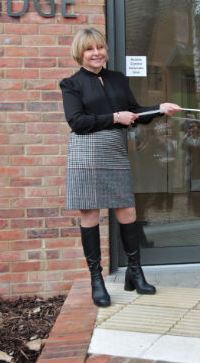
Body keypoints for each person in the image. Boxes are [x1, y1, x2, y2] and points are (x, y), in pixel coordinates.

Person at [59, 27, 180, 307]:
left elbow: (134, 114)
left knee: (127, 210)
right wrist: (115, 116)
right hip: (85, 154)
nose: (96, 53)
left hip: (114, 151)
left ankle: (135, 273)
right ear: (80, 53)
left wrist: (159, 108)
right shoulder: (71, 84)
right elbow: (76, 122)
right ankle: (96, 280)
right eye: (89, 49)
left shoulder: (117, 79)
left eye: (100, 47)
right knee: (90, 214)